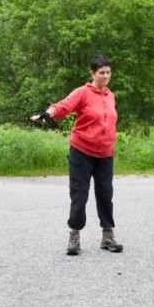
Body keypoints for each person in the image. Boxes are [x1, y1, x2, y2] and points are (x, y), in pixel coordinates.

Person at [31, 56, 123, 255]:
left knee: (106, 194)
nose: (105, 76)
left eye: (108, 72)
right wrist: (47, 113)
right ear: (92, 74)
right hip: (82, 151)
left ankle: (107, 236)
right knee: (80, 193)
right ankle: (74, 235)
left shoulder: (110, 96)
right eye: (101, 73)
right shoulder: (82, 92)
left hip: (105, 153)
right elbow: (63, 106)